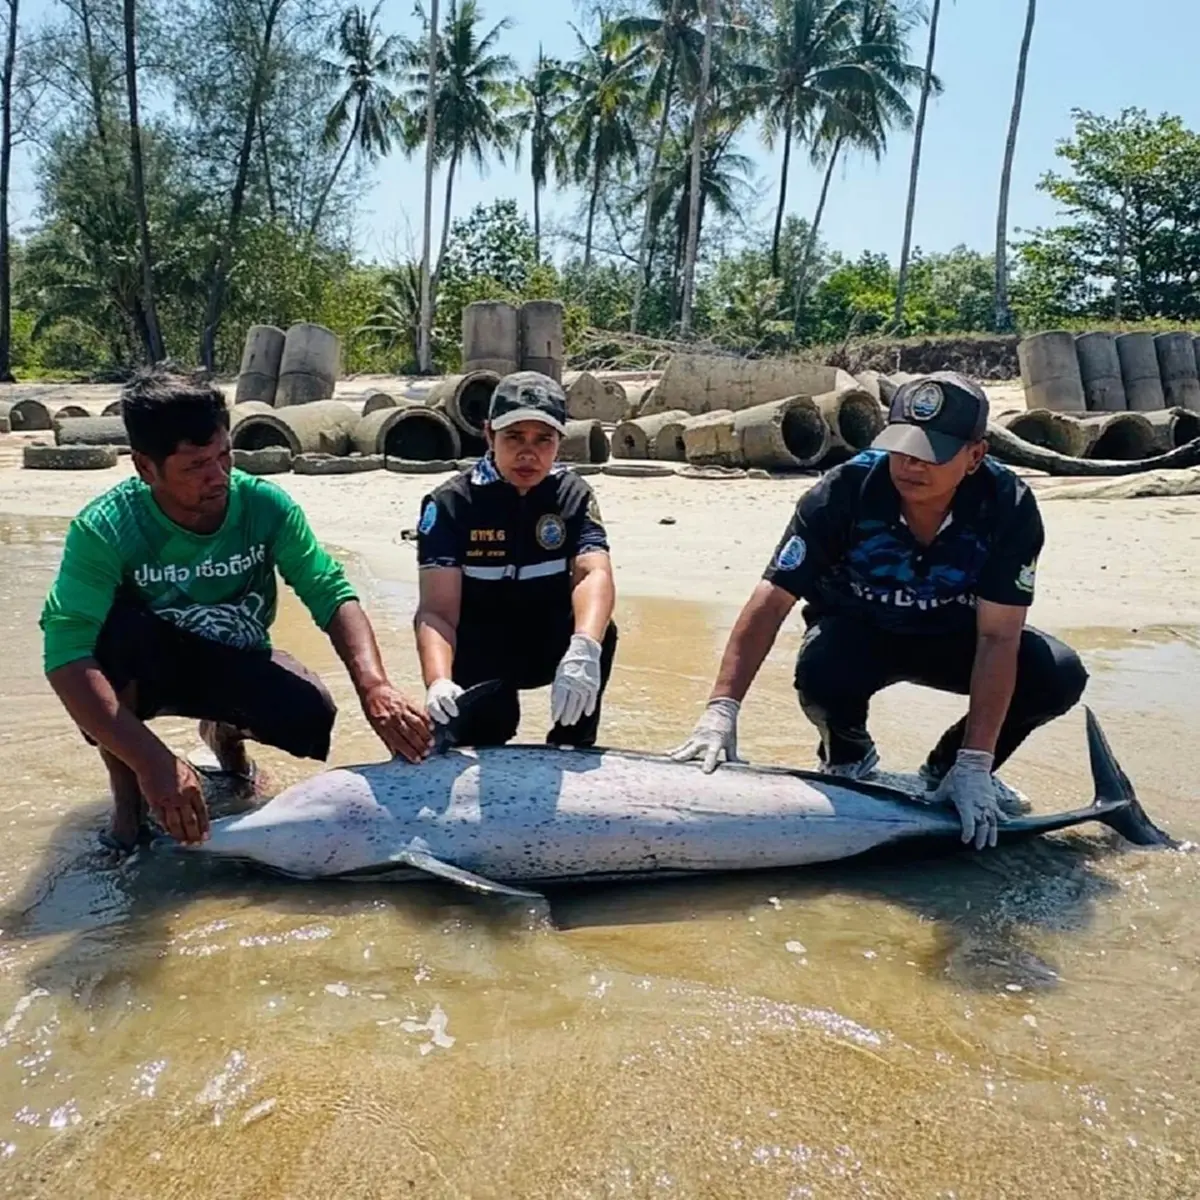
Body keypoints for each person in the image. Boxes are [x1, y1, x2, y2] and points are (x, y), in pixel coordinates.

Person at [668, 371, 1088, 851]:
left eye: (932, 452)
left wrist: (976, 759)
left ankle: (952, 770)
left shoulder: (1007, 505)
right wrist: (721, 711)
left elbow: (998, 637)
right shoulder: (845, 489)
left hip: (956, 638)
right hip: (859, 633)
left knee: (1056, 673)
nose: (910, 464)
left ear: (975, 457)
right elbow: (772, 599)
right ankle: (848, 754)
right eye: (902, 446)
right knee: (822, 669)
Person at [40, 368, 433, 854]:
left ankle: (225, 739)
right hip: (147, 662)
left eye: (224, 455)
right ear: (146, 468)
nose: (219, 476)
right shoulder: (105, 528)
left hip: (231, 654)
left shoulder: (263, 505)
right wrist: (153, 760)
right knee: (106, 645)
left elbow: (328, 590)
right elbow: (65, 654)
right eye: (196, 466)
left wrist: (375, 685)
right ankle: (130, 803)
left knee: (311, 713)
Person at [413, 370, 617, 748]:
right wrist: (438, 680)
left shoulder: (573, 495)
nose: (529, 453)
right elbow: (437, 611)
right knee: (481, 742)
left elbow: (593, 573)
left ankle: (572, 741)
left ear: (559, 441)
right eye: (513, 437)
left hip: (549, 643)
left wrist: (585, 646)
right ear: (489, 434)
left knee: (602, 630)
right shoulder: (450, 504)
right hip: (480, 651)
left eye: (544, 440)